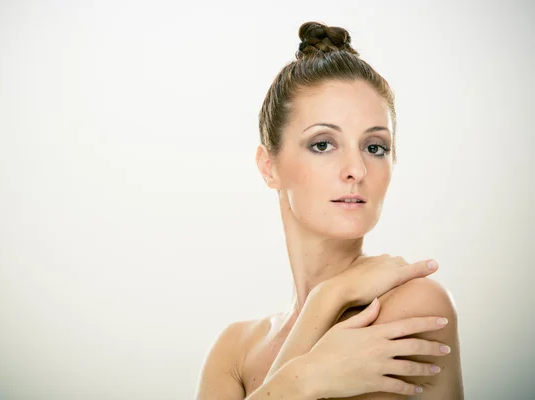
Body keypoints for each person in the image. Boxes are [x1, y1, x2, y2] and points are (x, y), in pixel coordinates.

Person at [195, 21, 464, 399]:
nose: (357, 169)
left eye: (375, 147)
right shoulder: (234, 350)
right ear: (268, 166)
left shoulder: (413, 307)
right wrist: (306, 364)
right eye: (323, 144)